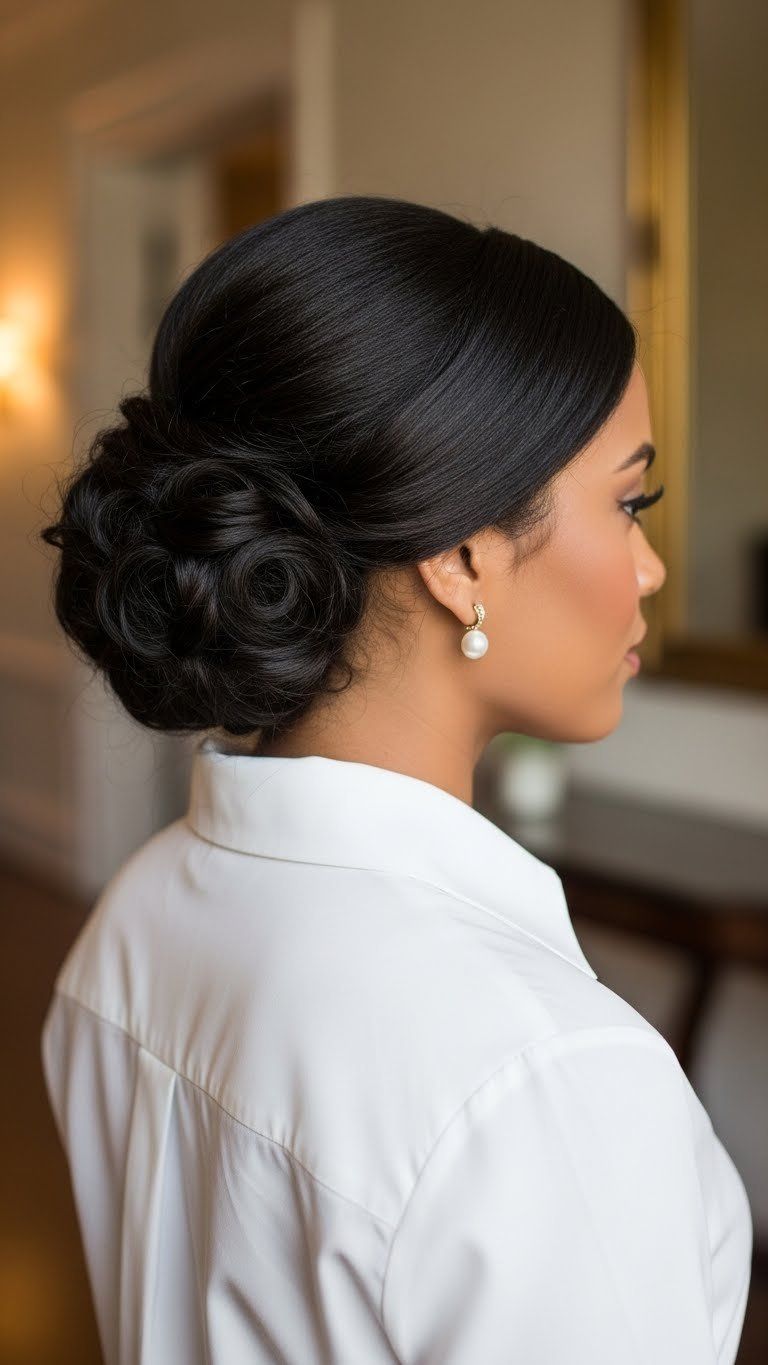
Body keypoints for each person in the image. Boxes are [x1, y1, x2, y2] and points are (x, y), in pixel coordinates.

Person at [39, 194, 751, 1364]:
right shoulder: (542, 1081)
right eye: (628, 503)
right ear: (465, 557)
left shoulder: (134, 915)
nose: (652, 563)